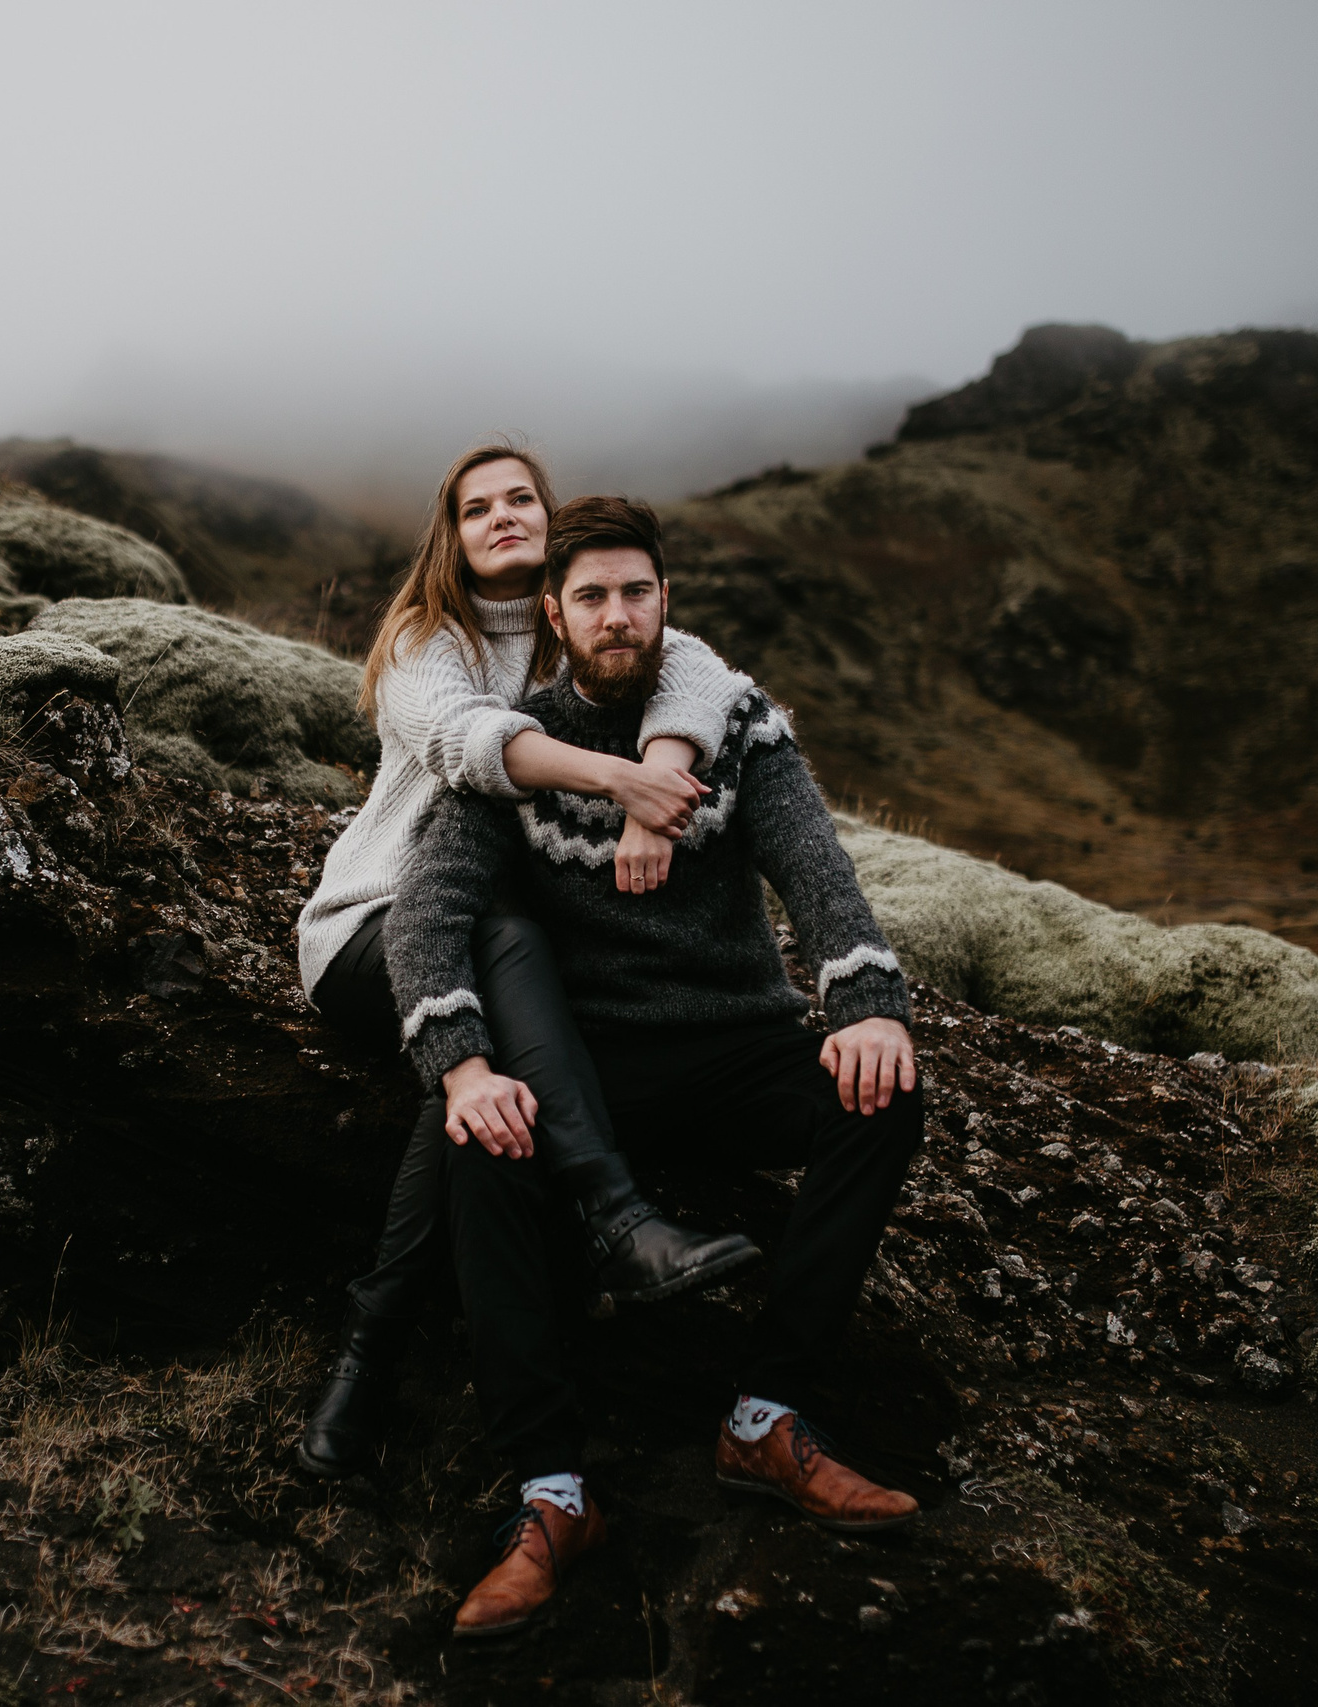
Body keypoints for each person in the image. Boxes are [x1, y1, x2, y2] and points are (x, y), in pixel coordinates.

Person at [386, 495, 927, 1638]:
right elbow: (425, 919)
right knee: (479, 1140)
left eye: (637, 592)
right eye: (592, 598)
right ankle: (549, 1493)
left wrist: (868, 1002)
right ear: (555, 612)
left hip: (735, 1041)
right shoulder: (519, 745)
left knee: (881, 1094)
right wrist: (464, 1065)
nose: (617, 615)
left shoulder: (734, 723)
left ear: (665, 602)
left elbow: (816, 871)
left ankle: (765, 1419)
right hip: (598, 1066)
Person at [292, 444, 762, 1480]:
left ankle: (367, 1367)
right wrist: (617, 776)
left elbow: (700, 671)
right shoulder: (428, 639)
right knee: (499, 952)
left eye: (521, 499)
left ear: (550, 522)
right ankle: (614, 1213)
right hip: (378, 928)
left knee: (477, 1096)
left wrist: (662, 771)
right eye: (477, 507)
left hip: (504, 965)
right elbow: (470, 742)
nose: (502, 515)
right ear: (451, 537)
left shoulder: (581, 623)